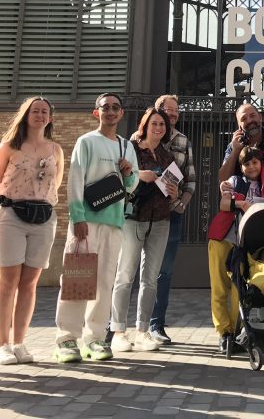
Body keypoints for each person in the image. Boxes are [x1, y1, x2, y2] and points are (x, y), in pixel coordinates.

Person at [53, 93, 139, 363]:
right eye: (105, 108)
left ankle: (96, 338)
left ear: (121, 113)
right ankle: (67, 338)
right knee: (78, 279)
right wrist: (77, 217)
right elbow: (76, 179)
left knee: (104, 282)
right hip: (86, 221)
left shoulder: (127, 146)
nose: (110, 112)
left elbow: (133, 184)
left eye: (115, 108)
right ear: (96, 113)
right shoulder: (86, 142)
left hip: (114, 222)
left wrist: (128, 173)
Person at [0, 96, 64, 365]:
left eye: (45, 111)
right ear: (25, 115)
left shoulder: (55, 149)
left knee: (29, 283)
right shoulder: (8, 147)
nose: (40, 115)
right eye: (35, 111)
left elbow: (55, 184)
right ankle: (2, 344)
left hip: (43, 217)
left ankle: (20, 342)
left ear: (50, 118)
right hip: (11, 214)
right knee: (7, 281)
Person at [109, 108, 179, 353]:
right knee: (125, 275)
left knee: (150, 280)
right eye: (154, 123)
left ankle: (142, 331)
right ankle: (118, 330)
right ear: (145, 125)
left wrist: (174, 193)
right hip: (133, 218)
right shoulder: (130, 148)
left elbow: (173, 187)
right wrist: (141, 175)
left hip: (160, 219)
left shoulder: (167, 155)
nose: (159, 128)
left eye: (162, 124)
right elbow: (119, 177)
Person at [147, 94, 195, 345]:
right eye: (168, 110)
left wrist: (182, 204)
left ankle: (156, 325)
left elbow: (191, 179)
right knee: (129, 268)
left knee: (163, 272)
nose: (173, 114)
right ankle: (118, 325)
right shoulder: (139, 140)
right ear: (156, 111)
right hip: (140, 214)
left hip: (170, 214)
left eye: (176, 110)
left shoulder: (183, 140)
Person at [208, 145, 264, 353]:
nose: (251, 167)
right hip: (222, 238)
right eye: (246, 163)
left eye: (255, 162)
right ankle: (224, 333)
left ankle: (236, 331)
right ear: (241, 167)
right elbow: (224, 204)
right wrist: (241, 204)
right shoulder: (234, 181)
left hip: (245, 243)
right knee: (219, 287)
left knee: (238, 289)